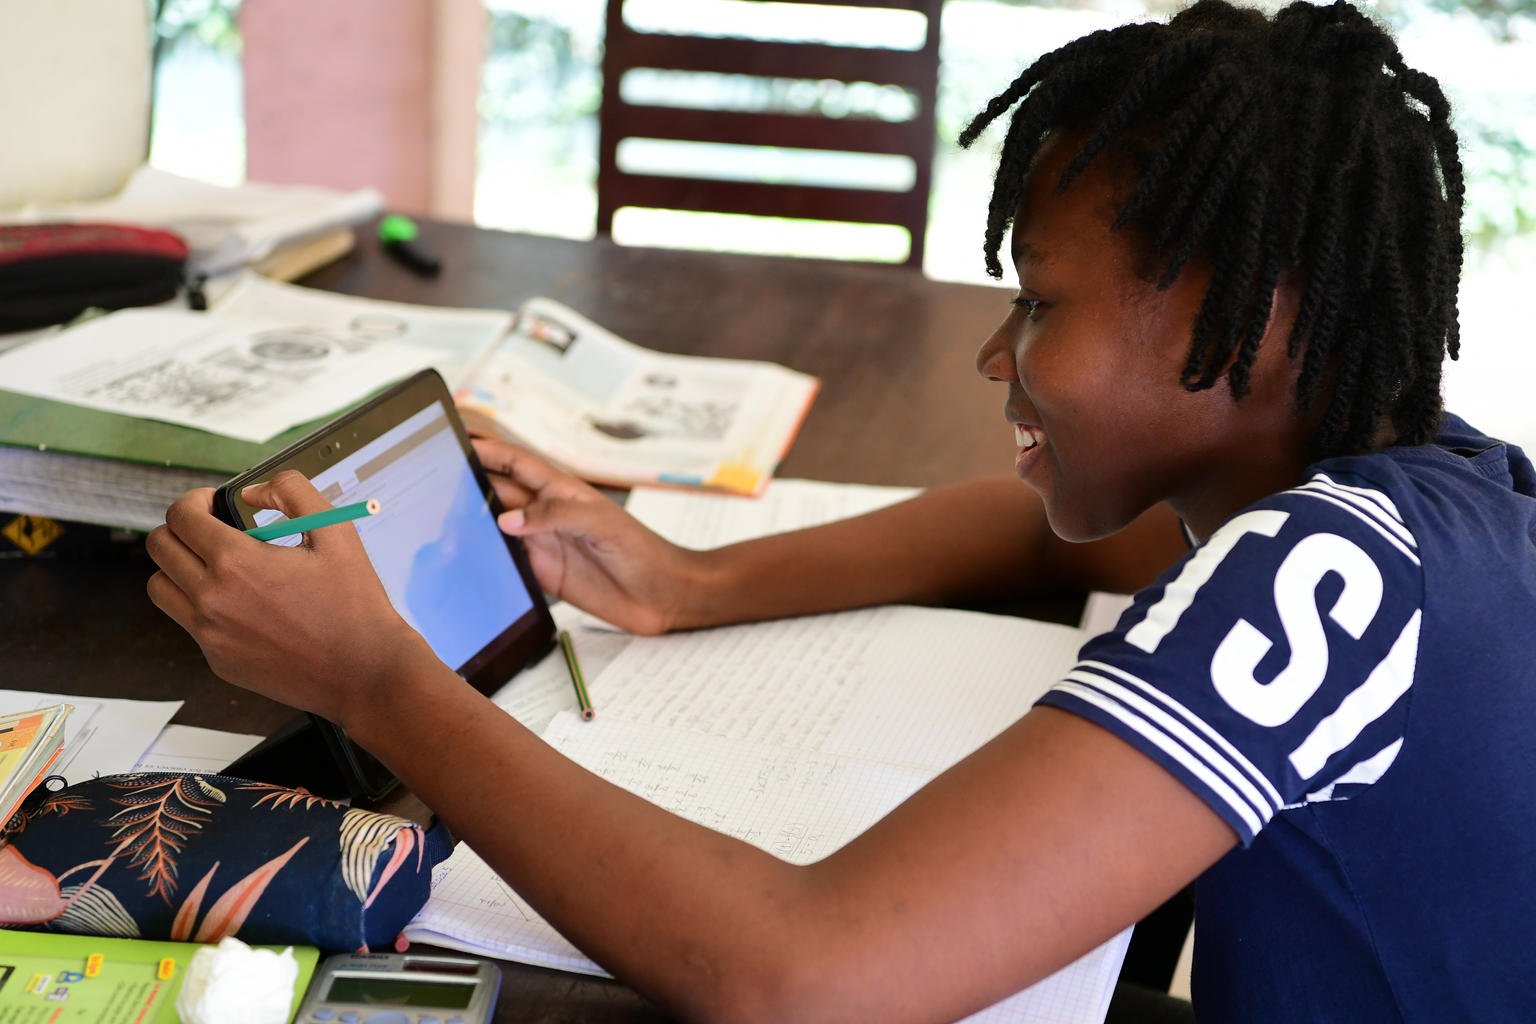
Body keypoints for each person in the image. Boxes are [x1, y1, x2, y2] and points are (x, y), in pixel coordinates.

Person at [146, 1, 1536, 1020]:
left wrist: (379, 682)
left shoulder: (1326, 572)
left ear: (1263, 317)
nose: (999, 356)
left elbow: (801, 975)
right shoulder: (1422, 493)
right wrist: (686, 582)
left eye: (1041, 304)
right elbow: (1031, 526)